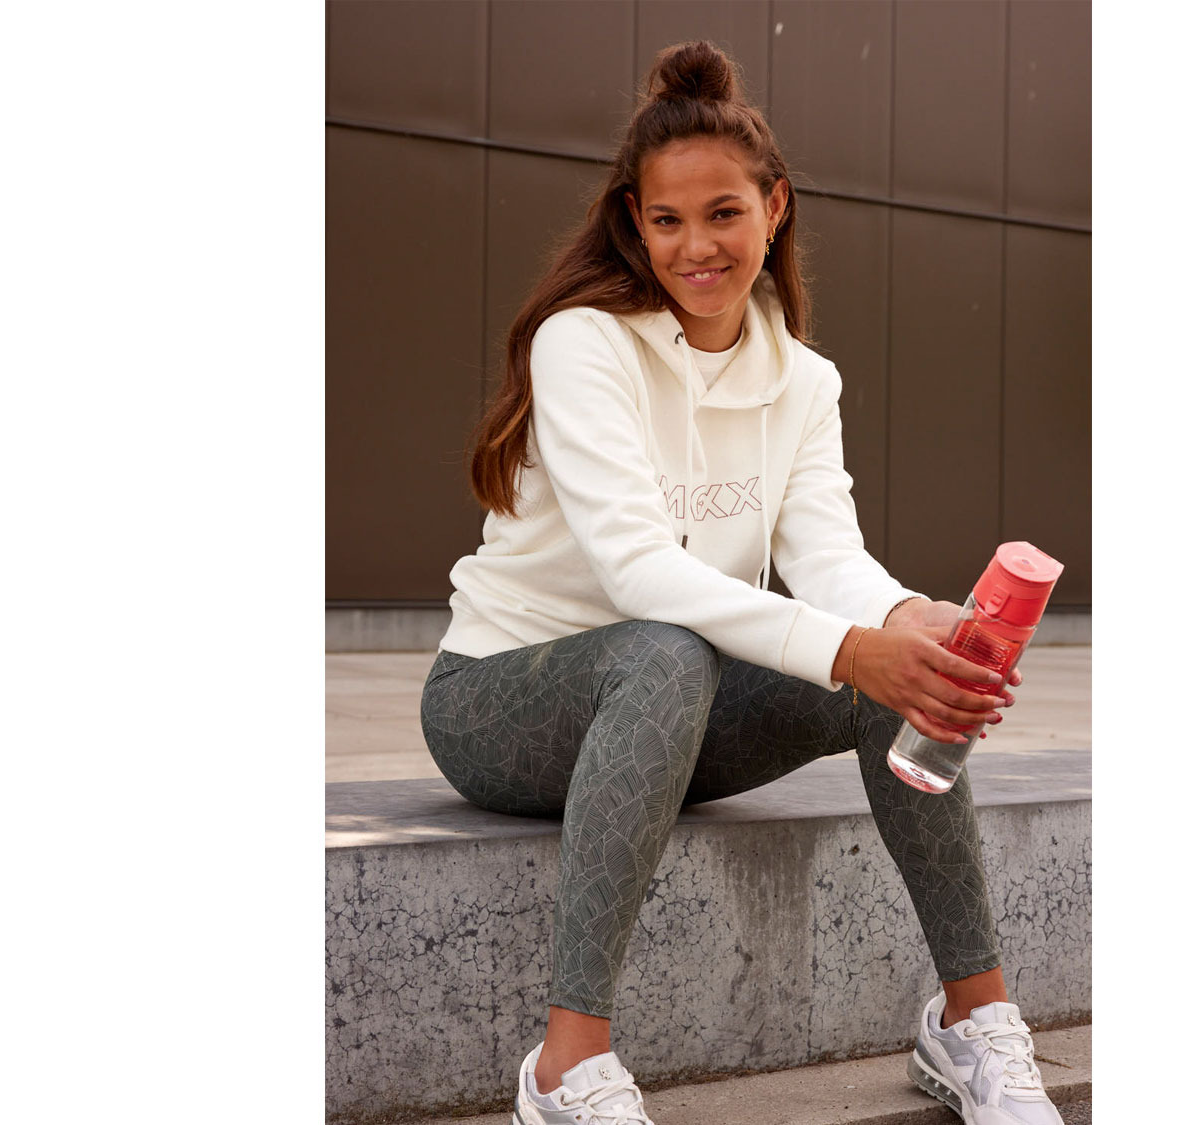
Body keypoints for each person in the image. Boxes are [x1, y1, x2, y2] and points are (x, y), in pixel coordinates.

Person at [420, 40, 1063, 1125]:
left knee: (896, 675)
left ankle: (973, 1020)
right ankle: (566, 1069)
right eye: (667, 221)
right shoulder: (584, 344)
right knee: (670, 650)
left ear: (775, 206)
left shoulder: (803, 380)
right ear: (635, 224)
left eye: (723, 213)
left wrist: (911, 622)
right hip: (501, 701)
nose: (697, 246)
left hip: (672, 707)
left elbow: (828, 557)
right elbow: (637, 571)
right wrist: (851, 646)